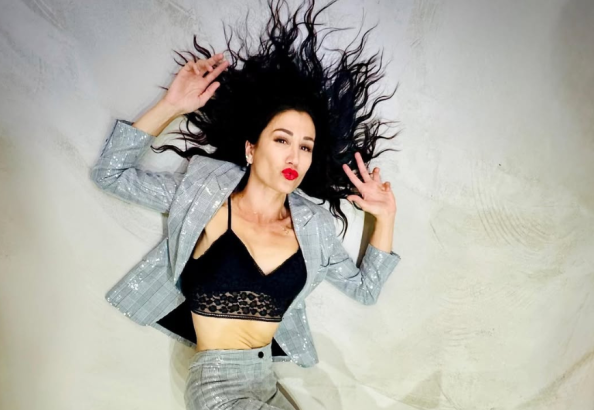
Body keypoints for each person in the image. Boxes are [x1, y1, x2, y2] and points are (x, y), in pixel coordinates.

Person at [90, 0, 401, 408]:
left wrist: (385, 217)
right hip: (217, 389)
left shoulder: (313, 227)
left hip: (268, 382)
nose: (294, 156)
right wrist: (171, 107)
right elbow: (110, 174)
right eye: (282, 139)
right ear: (252, 149)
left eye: (305, 146)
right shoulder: (204, 197)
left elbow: (365, 289)